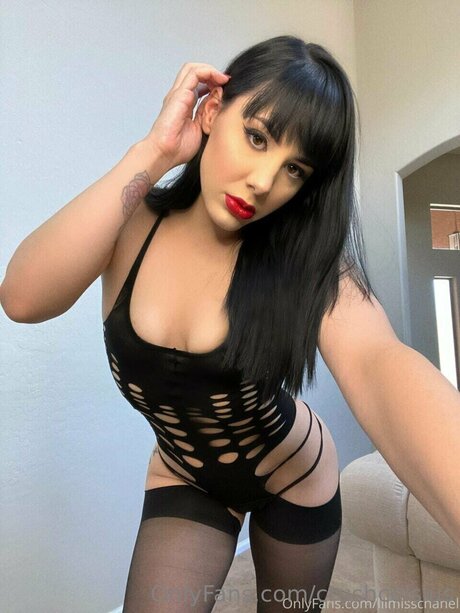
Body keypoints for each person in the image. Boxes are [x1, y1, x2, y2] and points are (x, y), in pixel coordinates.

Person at [1, 35, 459, 612]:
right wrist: (155, 150)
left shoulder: (305, 260)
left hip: (293, 473)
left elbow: (377, 363)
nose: (264, 181)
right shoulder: (130, 223)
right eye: (257, 137)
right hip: (185, 474)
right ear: (212, 110)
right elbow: (22, 298)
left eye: (294, 168)